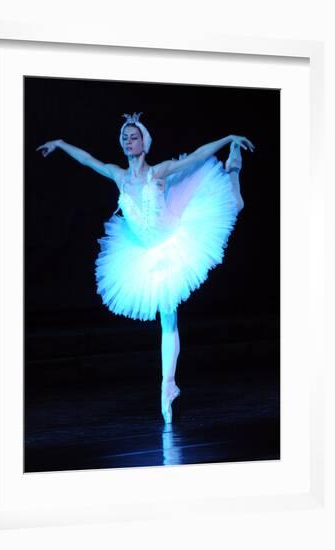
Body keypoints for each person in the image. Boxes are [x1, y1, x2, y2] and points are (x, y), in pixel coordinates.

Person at [37, 112, 255, 424]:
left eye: (134, 136)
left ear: (144, 142)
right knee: (167, 317)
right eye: (124, 137)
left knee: (233, 205)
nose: (128, 141)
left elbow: (196, 156)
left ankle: (233, 169)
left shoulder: (160, 171)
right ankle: (168, 386)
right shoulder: (118, 175)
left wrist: (228, 138)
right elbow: (87, 160)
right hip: (146, 252)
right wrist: (60, 143)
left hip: (176, 237)